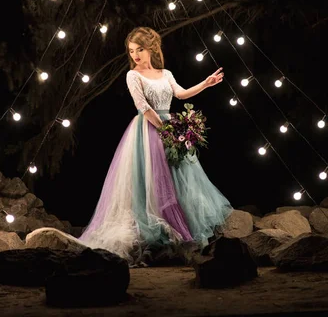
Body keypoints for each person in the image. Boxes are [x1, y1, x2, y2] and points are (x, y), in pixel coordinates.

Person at [78, 27, 233, 265]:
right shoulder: (133, 75)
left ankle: (182, 229)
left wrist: (206, 83)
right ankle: (157, 232)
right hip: (148, 129)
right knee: (151, 179)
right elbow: (142, 106)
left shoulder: (165, 73)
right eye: (132, 51)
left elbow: (180, 95)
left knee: (178, 178)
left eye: (140, 49)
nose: (136, 55)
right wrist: (165, 130)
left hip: (169, 126)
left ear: (151, 48)